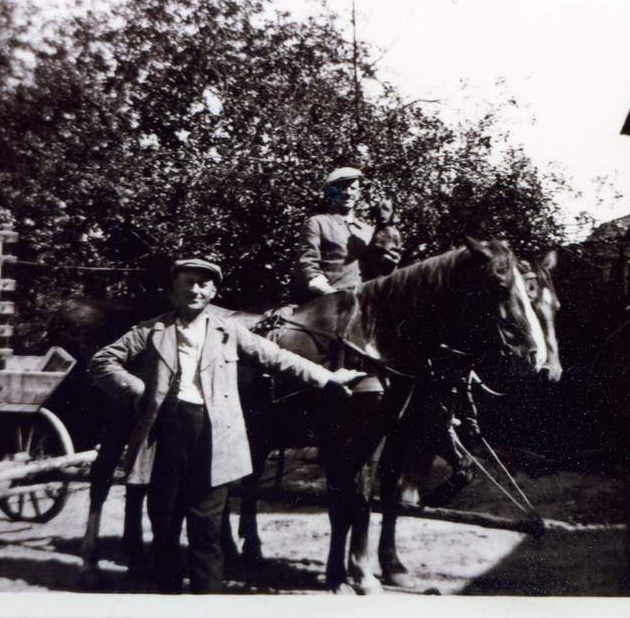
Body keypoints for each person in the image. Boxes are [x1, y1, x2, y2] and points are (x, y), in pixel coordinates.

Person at [90, 258, 366, 594]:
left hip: (214, 436)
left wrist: (326, 377)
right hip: (164, 435)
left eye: (203, 284)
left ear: (213, 292)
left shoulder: (230, 331)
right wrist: (137, 389)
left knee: (207, 531)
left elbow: (277, 357)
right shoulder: (152, 331)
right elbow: (102, 361)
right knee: (164, 528)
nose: (195, 289)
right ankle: (168, 597)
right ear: (174, 289)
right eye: (188, 282)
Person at [295, 167, 401, 303]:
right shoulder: (318, 223)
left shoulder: (369, 231)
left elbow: (377, 274)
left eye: (352, 188)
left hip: (365, 303)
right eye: (341, 188)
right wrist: (331, 294)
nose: (347, 193)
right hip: (328, 303)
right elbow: (307, 266)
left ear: (358, 192)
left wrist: (388, 266)